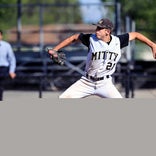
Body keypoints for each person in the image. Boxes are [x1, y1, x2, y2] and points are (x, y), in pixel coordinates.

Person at [48, 18, 156, 98]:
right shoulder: (91, 39)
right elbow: (74, 37)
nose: (96, 30)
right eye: (97, 27)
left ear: (107, 31)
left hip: (105, 84)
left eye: (100, 28)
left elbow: (136, 34)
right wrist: (55, 49)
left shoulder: (118, 41)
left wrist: (152, 45)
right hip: (86, 82)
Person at [0, 30, 16, 101]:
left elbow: (12, 59)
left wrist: (11, 71)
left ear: (1, 36)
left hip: (3, 69)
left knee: (0, 88)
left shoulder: (6, 45)